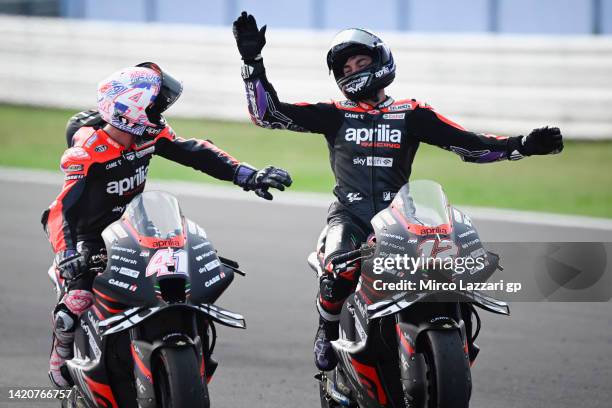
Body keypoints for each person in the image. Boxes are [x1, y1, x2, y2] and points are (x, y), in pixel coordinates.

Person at [232, 12, 564, 371]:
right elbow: (268, 115)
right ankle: (327, 331)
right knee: (337, 268)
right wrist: (252, 62)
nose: (353, 69)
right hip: (350, 217)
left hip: (402, 219)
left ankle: (456, 338)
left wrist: (524, 145)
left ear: (380, 60)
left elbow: (471, 146)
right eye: (345, 67)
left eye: (361, 61)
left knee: (448, 267)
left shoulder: (412, 113)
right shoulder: (334, 113)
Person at [42, 62, 293, 387]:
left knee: (183, 278)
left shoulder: (148, 134)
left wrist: (249, 175)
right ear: (130, 109)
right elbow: (61, 209)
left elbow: (197, 153)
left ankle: (190, 347)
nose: (161, 113)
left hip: (134, 229)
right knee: (73, 305)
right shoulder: (87, 151)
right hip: (91, 238)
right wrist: (68, 251)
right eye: (155, 106)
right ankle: (61, 353)